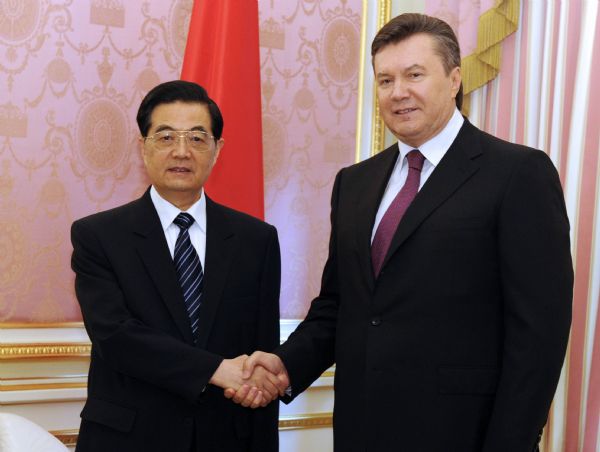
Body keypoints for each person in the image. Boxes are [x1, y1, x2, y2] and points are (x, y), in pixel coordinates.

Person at [230, 13, 573, 452]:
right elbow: (341, 305)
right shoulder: (354, 182)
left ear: (454, 79)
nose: (398, 93)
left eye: (414, 75)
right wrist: (285, 364)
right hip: (361, 430)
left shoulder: (517, 174)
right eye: (385, 80)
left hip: (463, 434)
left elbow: (539, 334)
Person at [71, 80, 282, 452]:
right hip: (128, 440)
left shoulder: (256, 240)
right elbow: (115, 336)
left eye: (198, 138)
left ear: (218, 149)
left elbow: (260, 352)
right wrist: (217, 370)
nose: (182, 152)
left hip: (225, 439)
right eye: (166, 137)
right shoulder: (98, 236)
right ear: (143, 147)